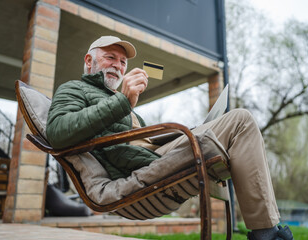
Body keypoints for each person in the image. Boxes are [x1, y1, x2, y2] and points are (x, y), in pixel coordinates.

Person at [46, 36, 293, 240]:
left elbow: (142, 138)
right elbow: (57, 132)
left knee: (236, 126)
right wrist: (122, 101)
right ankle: (267, 234)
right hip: (141, 167)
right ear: (89, 61)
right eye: (110, 57)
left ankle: (265, 230)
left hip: (153, 154)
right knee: (240, 121)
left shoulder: (117, 100)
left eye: (122, 62)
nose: (118, 65)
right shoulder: (73, 89)